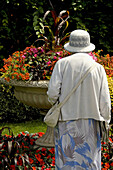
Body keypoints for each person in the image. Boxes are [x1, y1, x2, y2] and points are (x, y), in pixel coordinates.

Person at [47, 29, 111, 170]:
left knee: (67, 161)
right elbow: (105, 101)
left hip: (66, 120)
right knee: (89, 161)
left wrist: (57, 103)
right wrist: (106, 120)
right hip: (91, 121)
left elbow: (52, 93)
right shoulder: (98, 68)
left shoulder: (62, 64)